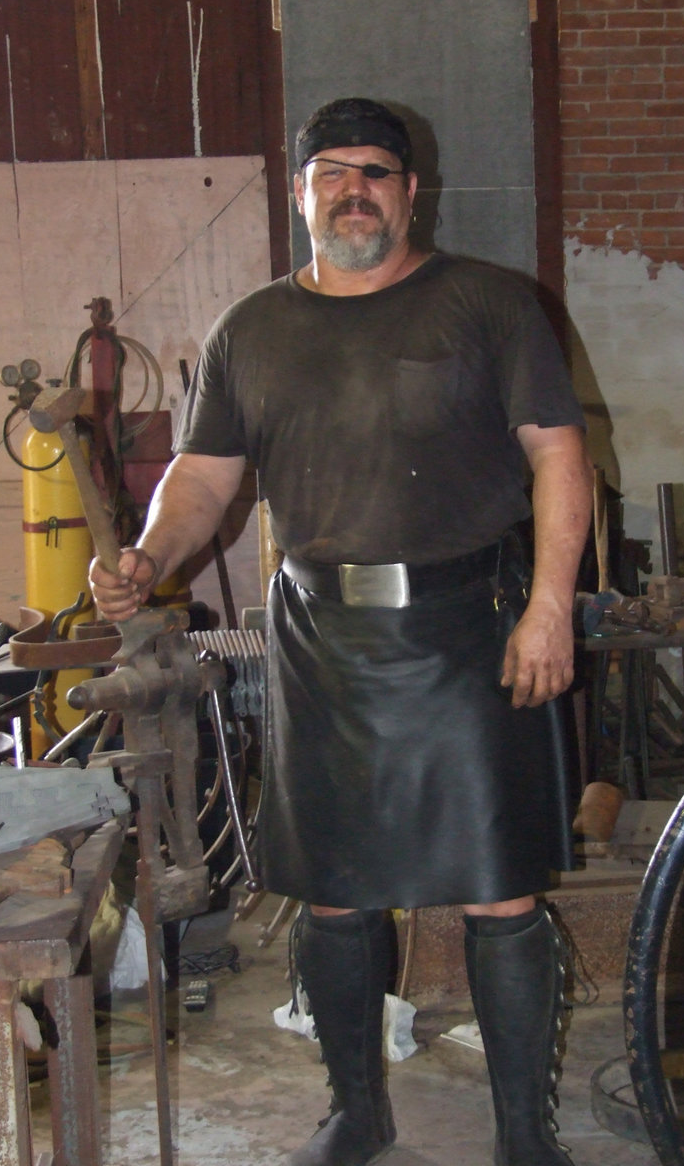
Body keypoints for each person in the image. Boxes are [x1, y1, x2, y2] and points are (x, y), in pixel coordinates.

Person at [90, 97, 593, 1166]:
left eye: (375, 171)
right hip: (321, 637)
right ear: (304, 192)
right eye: (332, 173)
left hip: (472, 628)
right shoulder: (252, 330)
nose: (352, 190)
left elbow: (557, 455)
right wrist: (149, 558)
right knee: (333, 893)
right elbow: (204, 479)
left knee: (499, 891)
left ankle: (524, 1136)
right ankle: (356, 1114)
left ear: (413, 193)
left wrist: (551, 605)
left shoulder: (491, 305)